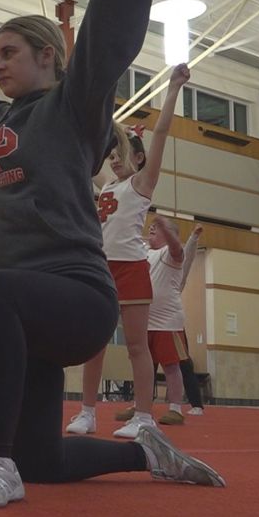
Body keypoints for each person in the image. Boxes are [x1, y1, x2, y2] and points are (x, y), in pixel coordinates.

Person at [0, 0, 224, 509]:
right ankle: (148, 453)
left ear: (47, 56)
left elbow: (106, 31)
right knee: (44, 460)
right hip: (24, 316)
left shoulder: (73, 108)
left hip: (77, 297)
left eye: (10, 51)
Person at [67, 62, 189, 439]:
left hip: (132, 268)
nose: (115, 159)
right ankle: (87, 411)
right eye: (112, 154)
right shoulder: (106, 186)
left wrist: (172, 91)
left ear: (138, 159)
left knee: (138, 346)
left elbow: (163, 132)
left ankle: (143, 416)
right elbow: (86, 149)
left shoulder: (141, 184)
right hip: (100, 269)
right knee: (94, 344)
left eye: (121, 153)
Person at [143, 216, 190, 426]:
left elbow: (176, 246)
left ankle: (175, 409)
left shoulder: (172, 254)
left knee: (171, 366)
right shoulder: (144, 252)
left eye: (157, 228)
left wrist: (166, 228)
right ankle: (140, 405)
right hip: (145, 320)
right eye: (151, 227)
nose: (151, 228)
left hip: (167, 322)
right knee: (142, 365)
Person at [177, 224, 206, 415]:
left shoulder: (175, 267)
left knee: (183, 364)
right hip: (150, 322)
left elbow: (186, 259)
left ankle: (196, 403)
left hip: (171, 324)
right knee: (147, 364)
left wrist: (193, 238)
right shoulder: (149, 259)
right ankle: (141, 405)